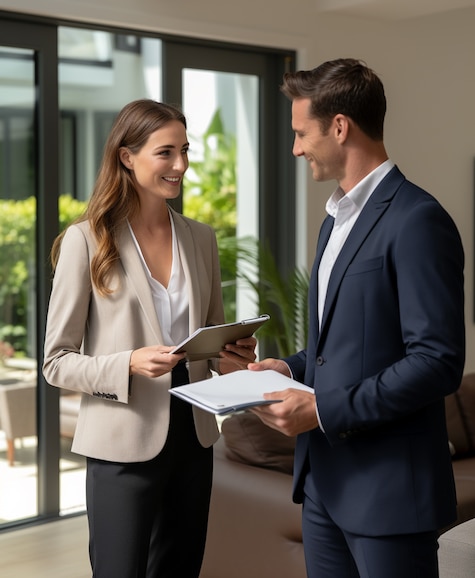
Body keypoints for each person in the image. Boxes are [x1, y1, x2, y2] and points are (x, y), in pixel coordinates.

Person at [248, 58, 465, 578]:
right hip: (323, 486)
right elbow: (337, 343)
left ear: (340, 126)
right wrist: (290, 369)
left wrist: (320, 411)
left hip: (389, 494)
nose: (297, 148)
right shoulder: (335, 221)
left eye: (302, 133)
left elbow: (437, 361)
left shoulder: (418, 219)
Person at [42, 98, 257, 578]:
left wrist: (234, 355)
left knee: (180, 569)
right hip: (122, 442)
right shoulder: (87, 240)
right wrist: (128, 363)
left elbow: (212, 339)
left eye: (184, 150)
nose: (180, 165)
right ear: (126, 156)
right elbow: (56, 362)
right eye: (165, 152)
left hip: (194, 437)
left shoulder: (201, 238)